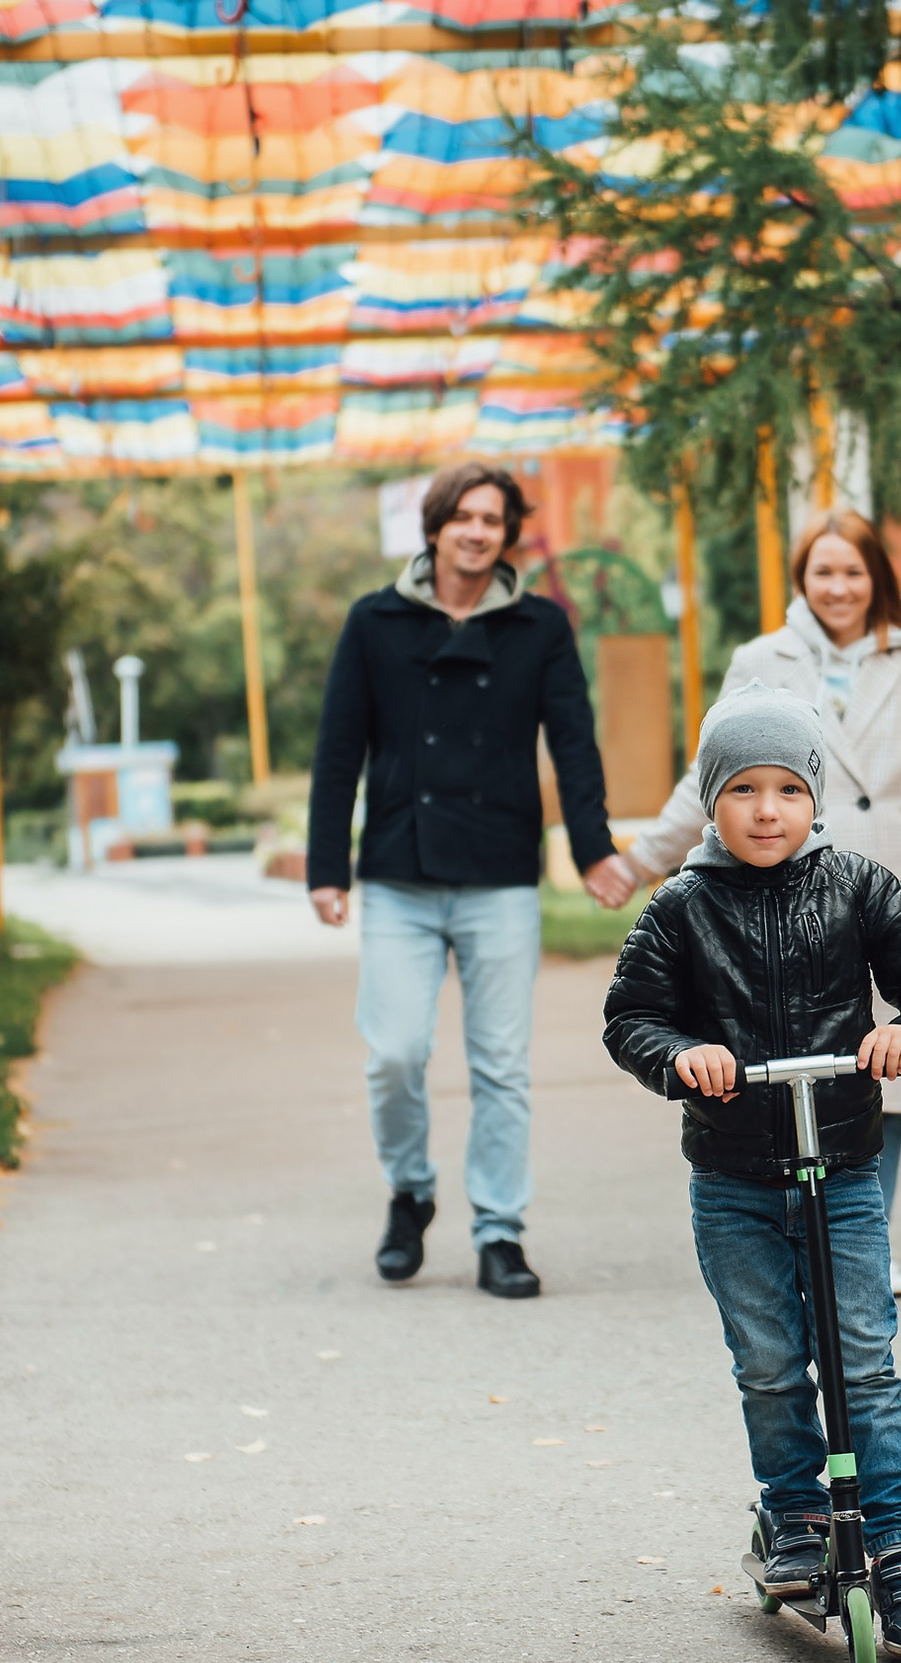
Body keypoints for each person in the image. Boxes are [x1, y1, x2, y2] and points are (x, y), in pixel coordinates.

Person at [601, 685, 901, 1662]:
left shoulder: (856, 884)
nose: (767, 810)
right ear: (711, 799)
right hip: (732, 1176)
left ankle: (899, 1546)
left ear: (815, 798)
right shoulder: (681, 905)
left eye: (788, 789)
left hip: (842, 1166)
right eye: (744, 790)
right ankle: (796, 1516)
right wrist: (680, 1054)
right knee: (768, 1361)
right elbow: (631, 1016)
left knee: (863, 1359)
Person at [597, 511, 901, 1296]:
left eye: (854, 572)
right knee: (806, 1050)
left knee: (884, 1060)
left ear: (877, 578)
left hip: (886, 874)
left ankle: (863, 1236)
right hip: (776, 883)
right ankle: (801, 1231)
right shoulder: (761, 660)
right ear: (802, 581)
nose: (839, 587)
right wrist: (641, 858)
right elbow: (713, 774)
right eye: (823, 572)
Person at [306, 462, 625, 1300]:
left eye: (494, 519)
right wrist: (325, 867)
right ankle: (410, 1190)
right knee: (395, 1051)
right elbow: (339, 749)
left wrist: (592, 847)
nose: (479, 532)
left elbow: (573, 739)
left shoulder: (539, 625)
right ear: (436, 527)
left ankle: (499, 1230)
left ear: (507, 534)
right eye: (465, 517)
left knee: (501, 1064)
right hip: (399, 869)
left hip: (499, 870)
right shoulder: (374, 620)